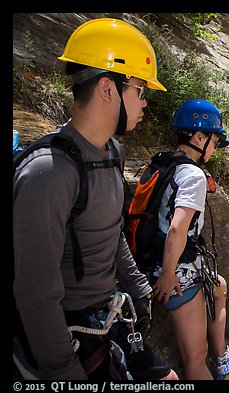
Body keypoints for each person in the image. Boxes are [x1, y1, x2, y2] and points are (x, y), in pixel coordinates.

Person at [13, 17, 178, 380]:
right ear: (108, 89)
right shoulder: (49, 171)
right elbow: (35, 292)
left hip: (107, 319)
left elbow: (110, 229)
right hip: (69, 337)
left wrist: (139, 289)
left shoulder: (110, 153)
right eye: (140, 90)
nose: (145, 103)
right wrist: (66, 372)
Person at [151, 99, 229, 380]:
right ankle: (213, 360)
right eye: (215, 140)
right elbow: (177, 230)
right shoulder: (193, 175)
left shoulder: (166, 163)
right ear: (198, 136)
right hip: (176, 271)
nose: (215, 147)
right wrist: (168, 275)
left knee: (219, 286)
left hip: (172, 261)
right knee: (195, 357)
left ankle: (221, 356)